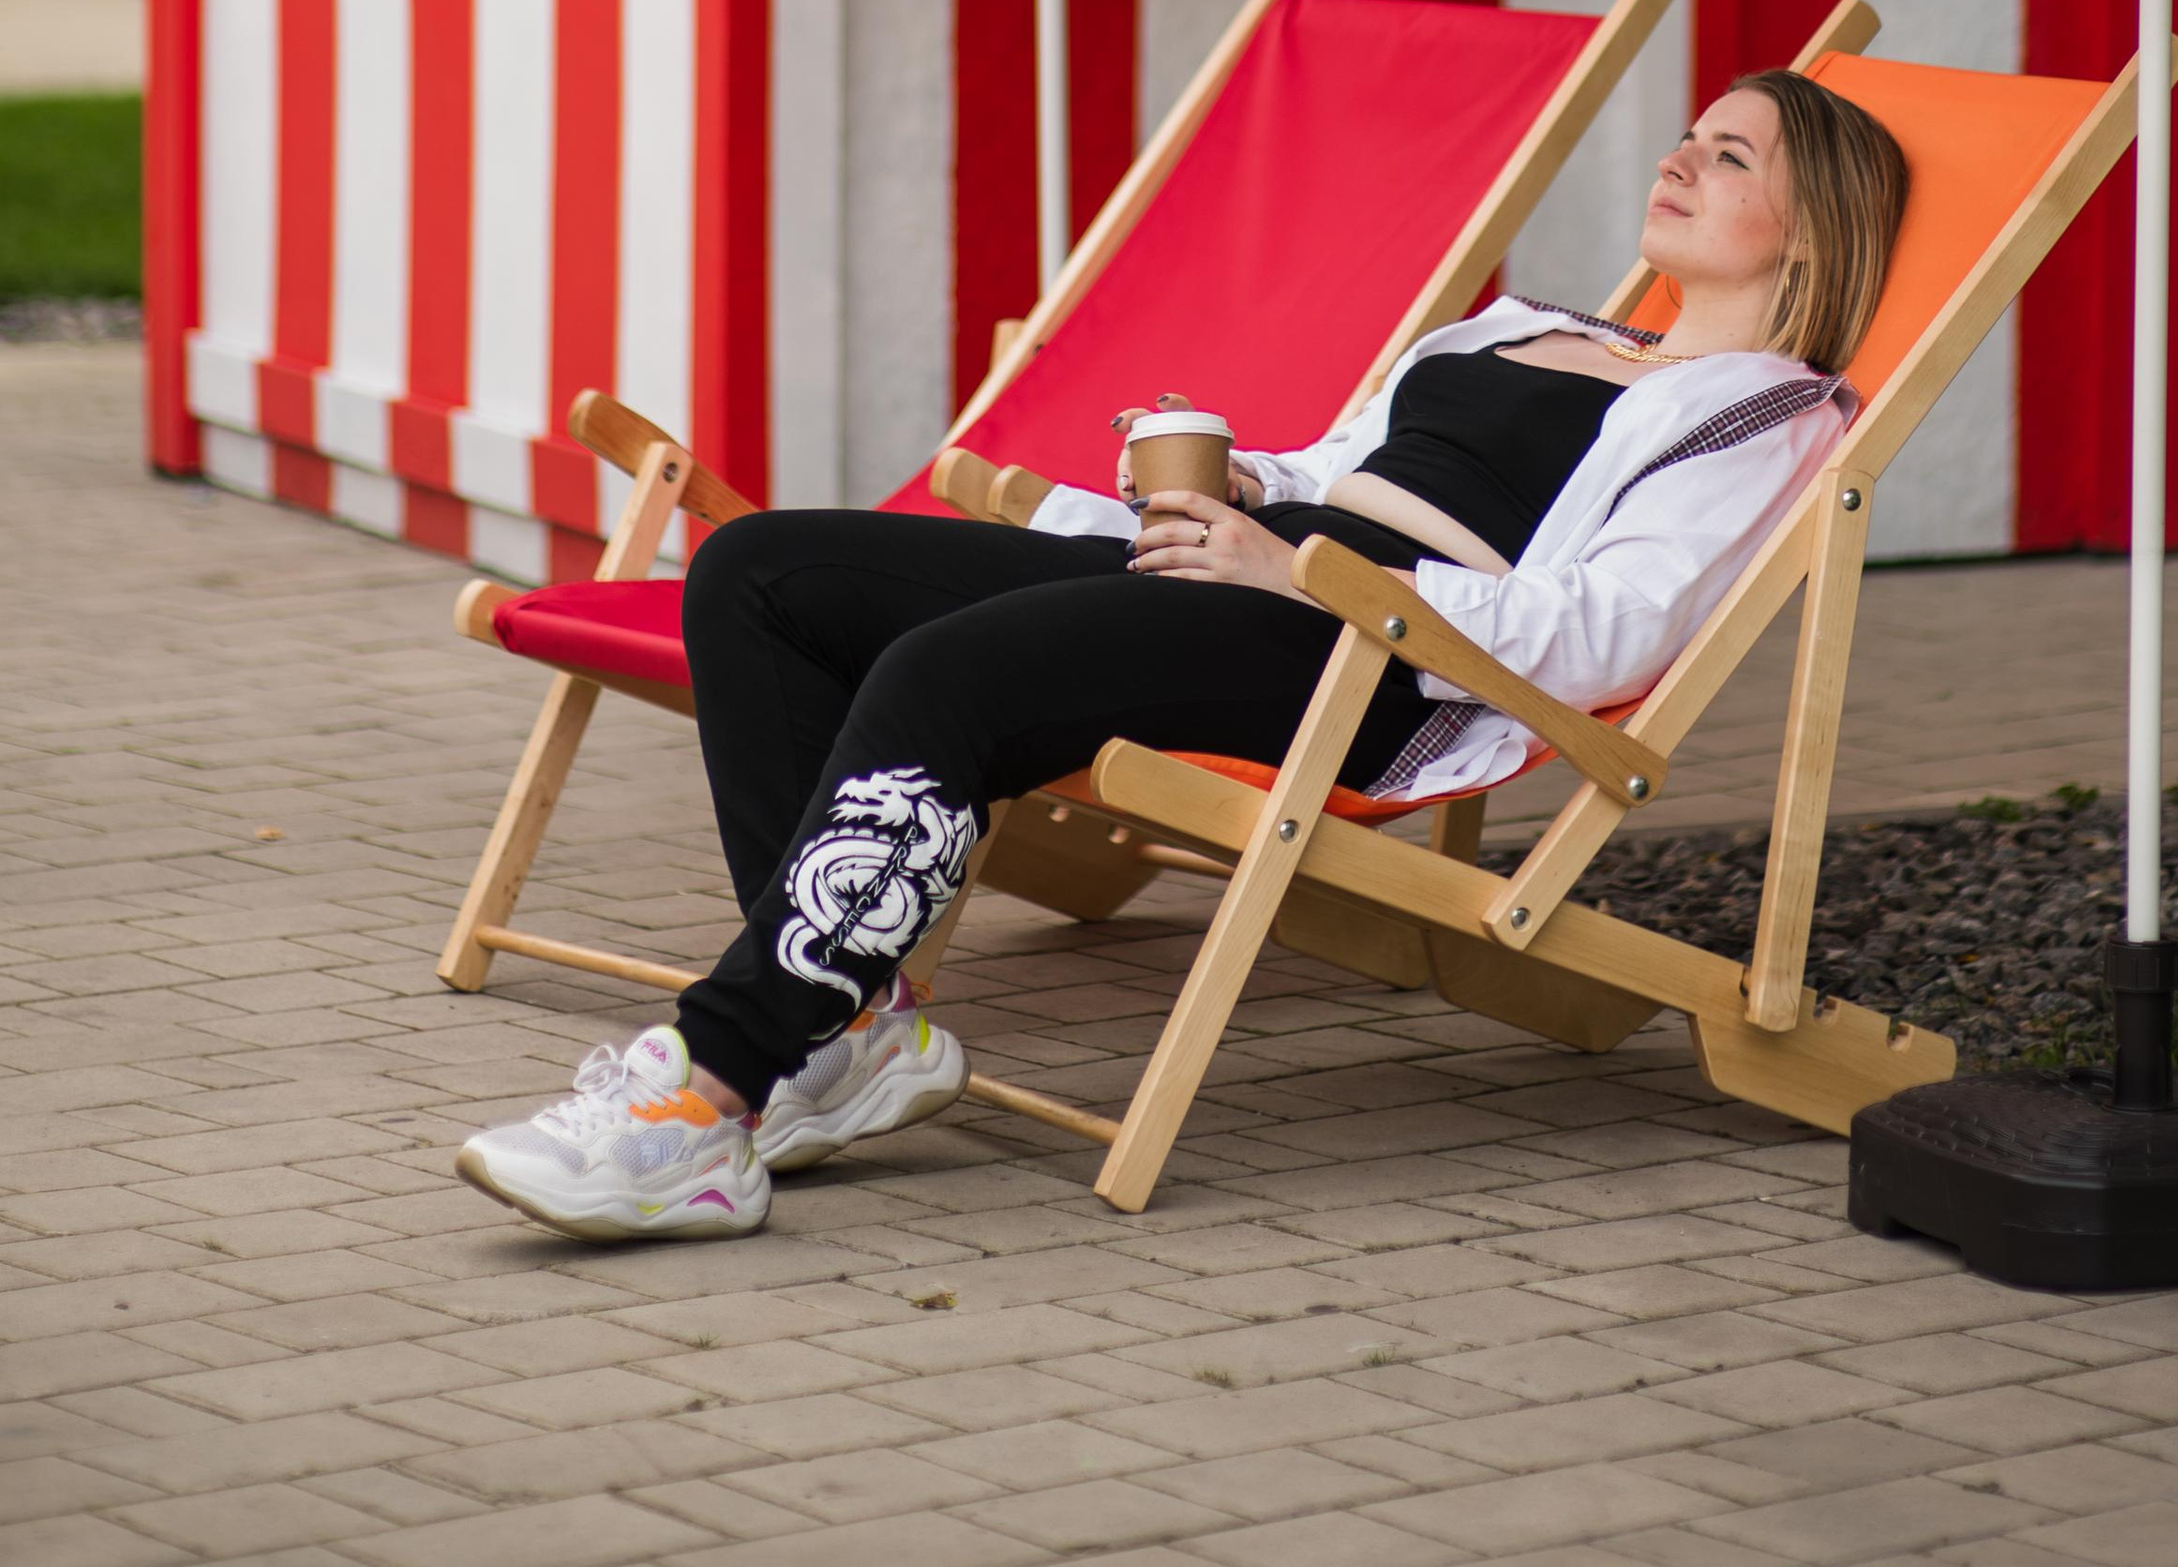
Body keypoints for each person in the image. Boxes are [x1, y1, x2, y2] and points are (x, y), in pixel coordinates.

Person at [456, 68, 1908, 1238]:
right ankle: (855, 1030)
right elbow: (1344, 462)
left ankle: (708, 1099)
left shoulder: (1760, 414)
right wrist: (1240, 484)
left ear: (1810, 224)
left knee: (944, 680)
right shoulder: (1531, 324)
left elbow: (1608, 632)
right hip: (1249, 569)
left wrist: (1308, 572)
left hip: (1368, 661)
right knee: (762, 572)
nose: (1683, 157)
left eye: (1733, 158)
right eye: (1690, 134)